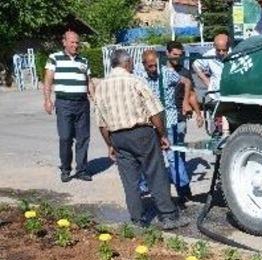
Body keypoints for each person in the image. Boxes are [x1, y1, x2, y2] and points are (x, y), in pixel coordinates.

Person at [93, 49, 189, 230]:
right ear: (127, 63)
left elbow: (101, 124)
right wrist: (162, 135)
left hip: (118, 137)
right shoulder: (136, 81)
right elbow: (155, 112)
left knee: (130, 180)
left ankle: (137, 219)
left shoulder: (101, 87)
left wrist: (110, 145)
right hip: (142, 134)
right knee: (156, 174)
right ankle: (168, 216)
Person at [137, 46, 202, 206]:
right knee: (148, 157)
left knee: (173, 158)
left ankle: (184, 191)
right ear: (143, 64)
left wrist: (185, 101)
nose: (153, 69)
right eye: (149, 66)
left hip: (170, 120)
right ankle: (144, 188)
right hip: (149, 122)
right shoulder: (138, 76)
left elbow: (186, 82)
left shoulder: (167, 73)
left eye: (155, 65)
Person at [43, 30, 94, 183]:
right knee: (65, 138)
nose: (75, 45)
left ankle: (82, 170)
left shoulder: (84, 60)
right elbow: (48, 80)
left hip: (82, 104)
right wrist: (47, 100)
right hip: (64, 103)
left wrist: (95, 97)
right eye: (72, 42)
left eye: (77, 42)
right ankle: (65, 169)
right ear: (64, 42)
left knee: (83, 138)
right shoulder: (54, 58)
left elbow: (89, 82)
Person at [192, 33, 230, 102]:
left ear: (228, 46)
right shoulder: (210, 54)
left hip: (232, 94)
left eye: (224, 50)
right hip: (216, 95)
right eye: (218, 50)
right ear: (214, 46)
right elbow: (195, 65)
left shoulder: (235, 53)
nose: (221, 53)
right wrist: (208, 83)